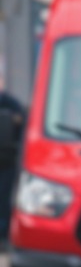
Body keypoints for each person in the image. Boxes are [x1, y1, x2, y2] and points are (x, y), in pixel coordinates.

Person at [0, 76, 24, 241]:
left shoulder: (11, 104)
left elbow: (23, 127)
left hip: (7, 160)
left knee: (4, 198)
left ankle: (4, 234)